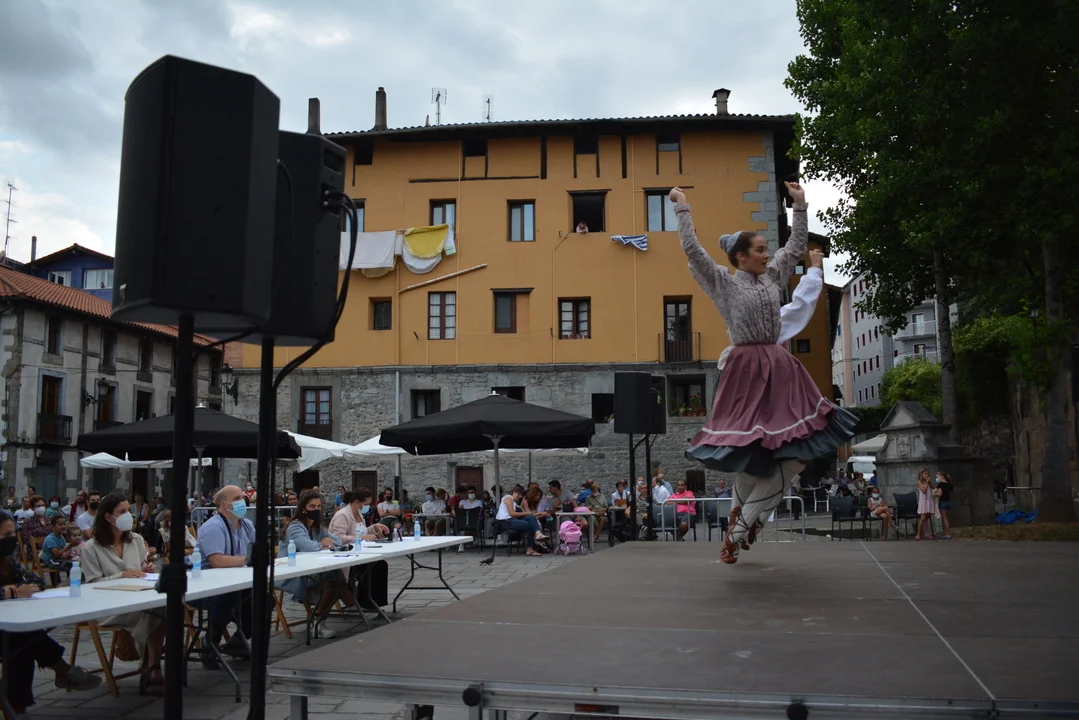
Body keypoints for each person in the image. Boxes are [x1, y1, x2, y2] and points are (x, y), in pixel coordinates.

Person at [670, 183, 856, 564]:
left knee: (795, 456)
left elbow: (795, 245)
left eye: (765, 249)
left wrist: (800, 205)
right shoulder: (723, 283)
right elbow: (693, 251)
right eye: (759, 249)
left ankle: (742, 523)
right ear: (741, 257)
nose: (766, 253)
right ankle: (742, 525)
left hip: (780, 371)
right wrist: (682, 207)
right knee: (753, 457)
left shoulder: (772, 276)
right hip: (745, 373)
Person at [0, 511, 101, 714]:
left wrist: (16, 588)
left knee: (21, 639)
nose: (11, 539)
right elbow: (18, 589)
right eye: (6, 535)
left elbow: (36, 581)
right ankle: (61, 671)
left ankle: (18, 708)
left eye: (12, 534)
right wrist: (12, 592)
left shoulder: (6, 560)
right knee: (22, 639)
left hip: (7, 622)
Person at [80, 493, 166, 694]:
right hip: (108, 605)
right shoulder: (91, 548)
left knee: (162, 607)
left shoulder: (136, 540)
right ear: (108, 517)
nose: (129, 515)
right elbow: (91, 585)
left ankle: (151, 666)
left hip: (138, 598)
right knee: (155, 612)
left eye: (129, 510)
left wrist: (147, 569)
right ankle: (152, 666)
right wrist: (121, 575)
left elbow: (141, 567)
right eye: (123, 511)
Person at [717, 248, 826, 371]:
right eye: (759, 250)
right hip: (762, 370)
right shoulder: (765, 324)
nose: (766, 256)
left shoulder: (737, 300)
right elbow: (800, 306)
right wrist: (815, 268)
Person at [275, 489, 356, 639]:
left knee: (335, 575)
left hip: (312, 568)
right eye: (312, 506)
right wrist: (322, 543)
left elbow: (337, 541)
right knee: (334, 579)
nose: (316, 510)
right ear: (303, 509)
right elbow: (308, 546)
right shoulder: (296, 526)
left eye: (319, 506)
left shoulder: (317, 526)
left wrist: (324, 542)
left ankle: (321, 618)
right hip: (292, 572)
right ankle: (346, 606)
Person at [193, 486, 255, 666]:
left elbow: (254, 550)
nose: (242, 501)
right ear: (224, 504)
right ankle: (210, 641)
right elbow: (217, 561)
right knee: (231, 596)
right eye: (237, 498)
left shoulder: (247, 525)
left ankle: (238, 641)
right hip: (207, 586)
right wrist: (249, 559)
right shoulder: (213, 527)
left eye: (242, 497)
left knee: (263, 599)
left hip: (238, 582)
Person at [496, 485, 548, 557]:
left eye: (521, 495)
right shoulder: (508, 498)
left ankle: (538, 534)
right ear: (514, 492)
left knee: (531, 518)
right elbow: (512, 514)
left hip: (513, 520)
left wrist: (531, 514)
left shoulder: (514, 502)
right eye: (519, 494)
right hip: (506, 522)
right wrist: (528, 513)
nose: (520, 497)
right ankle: (531, 547)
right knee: (531, 525)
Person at [935, 471, 953, 539]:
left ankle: (948, 534)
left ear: (941, 476)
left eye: (937, 477)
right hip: (948, 502)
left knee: (945, 518)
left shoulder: (940, 484)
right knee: (947, 518)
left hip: (942, 502)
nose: (937, 479)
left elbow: (940, 494)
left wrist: (934, 494)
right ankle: (948, 532)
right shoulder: (948, 484)